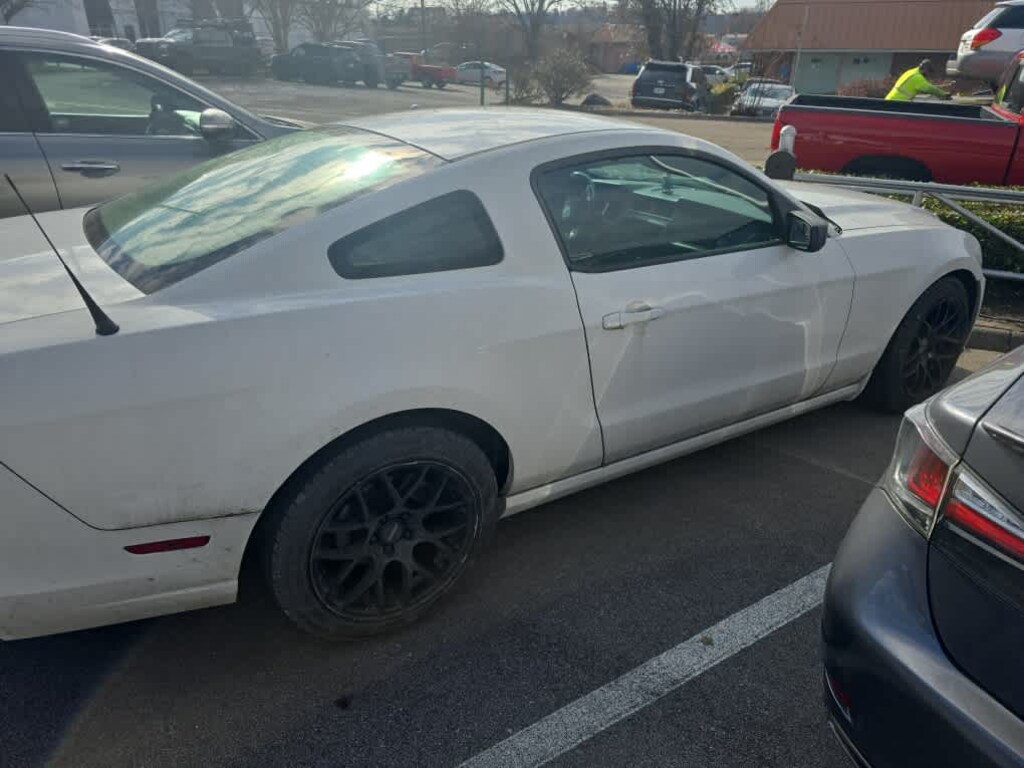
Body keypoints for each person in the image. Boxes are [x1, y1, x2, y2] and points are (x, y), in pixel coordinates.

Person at [886, 59, 951, 101]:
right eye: (929, 72)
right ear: (925, 70)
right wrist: (943, 94)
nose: (928, 75)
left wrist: (941, 87)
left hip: (891, 99)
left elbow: (924, 87)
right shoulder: (917, 77)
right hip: (898, 101)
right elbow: (930, 88)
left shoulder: (911, 72)